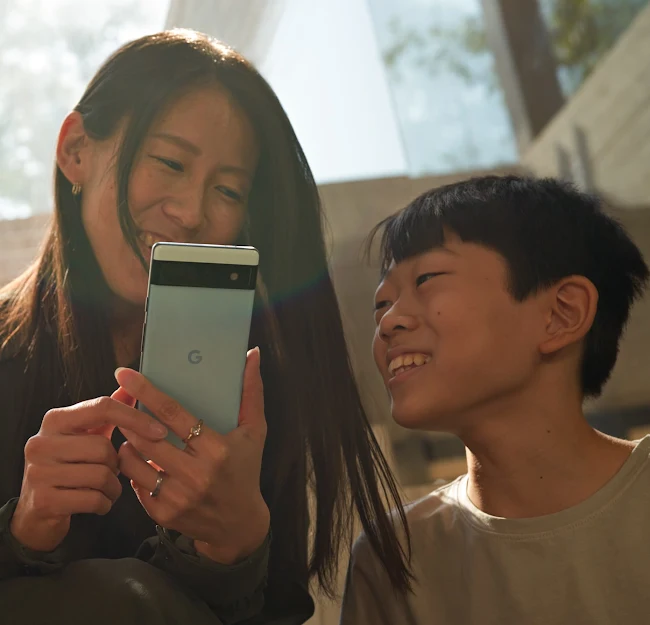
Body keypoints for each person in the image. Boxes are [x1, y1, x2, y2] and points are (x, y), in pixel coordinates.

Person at [0, 29, 411, 625]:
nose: (191, 213)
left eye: (226, 190)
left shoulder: (256, 382)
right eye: (168, 162)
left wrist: (235, 546)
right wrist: (23, 533)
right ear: (75, 151)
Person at [340, 175, 650, 625]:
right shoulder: (394, 559)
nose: (388, 322)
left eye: (426, 278)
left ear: (561, 314)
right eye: (380, 303)